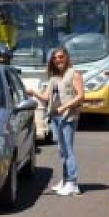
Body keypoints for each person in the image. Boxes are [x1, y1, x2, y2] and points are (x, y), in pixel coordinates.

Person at [26, 47, 85, 196]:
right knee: (62, 150)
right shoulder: (53, 78)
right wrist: (34, 93)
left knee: (68, 151)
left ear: (66, 58)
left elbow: (81, 96)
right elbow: (46, 98)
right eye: (55, 58)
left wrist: (64, 107)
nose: (58, 60)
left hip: (68, 117)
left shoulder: (74, 74)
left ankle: (73, 183)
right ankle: (65, 180)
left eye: (61, 57)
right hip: (56, 117)